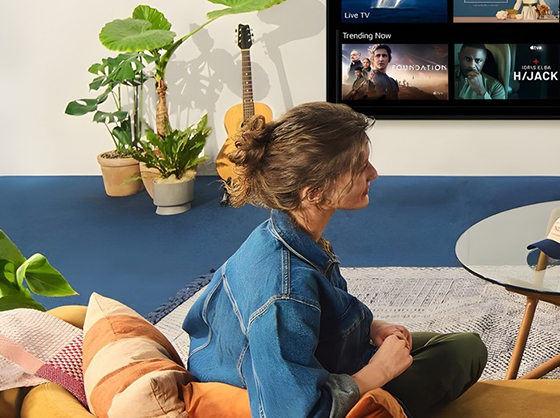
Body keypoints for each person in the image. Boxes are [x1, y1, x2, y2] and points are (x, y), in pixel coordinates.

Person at [184, 103, 487, 418]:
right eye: (360, 167)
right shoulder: (283, 293)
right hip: (289, 397)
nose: (374, 174)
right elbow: (295, 412)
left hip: (297, 367)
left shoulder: (278, 235)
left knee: (435, 344)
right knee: (464, 352)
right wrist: (378, 372)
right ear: (315, 192)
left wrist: (371, 327)